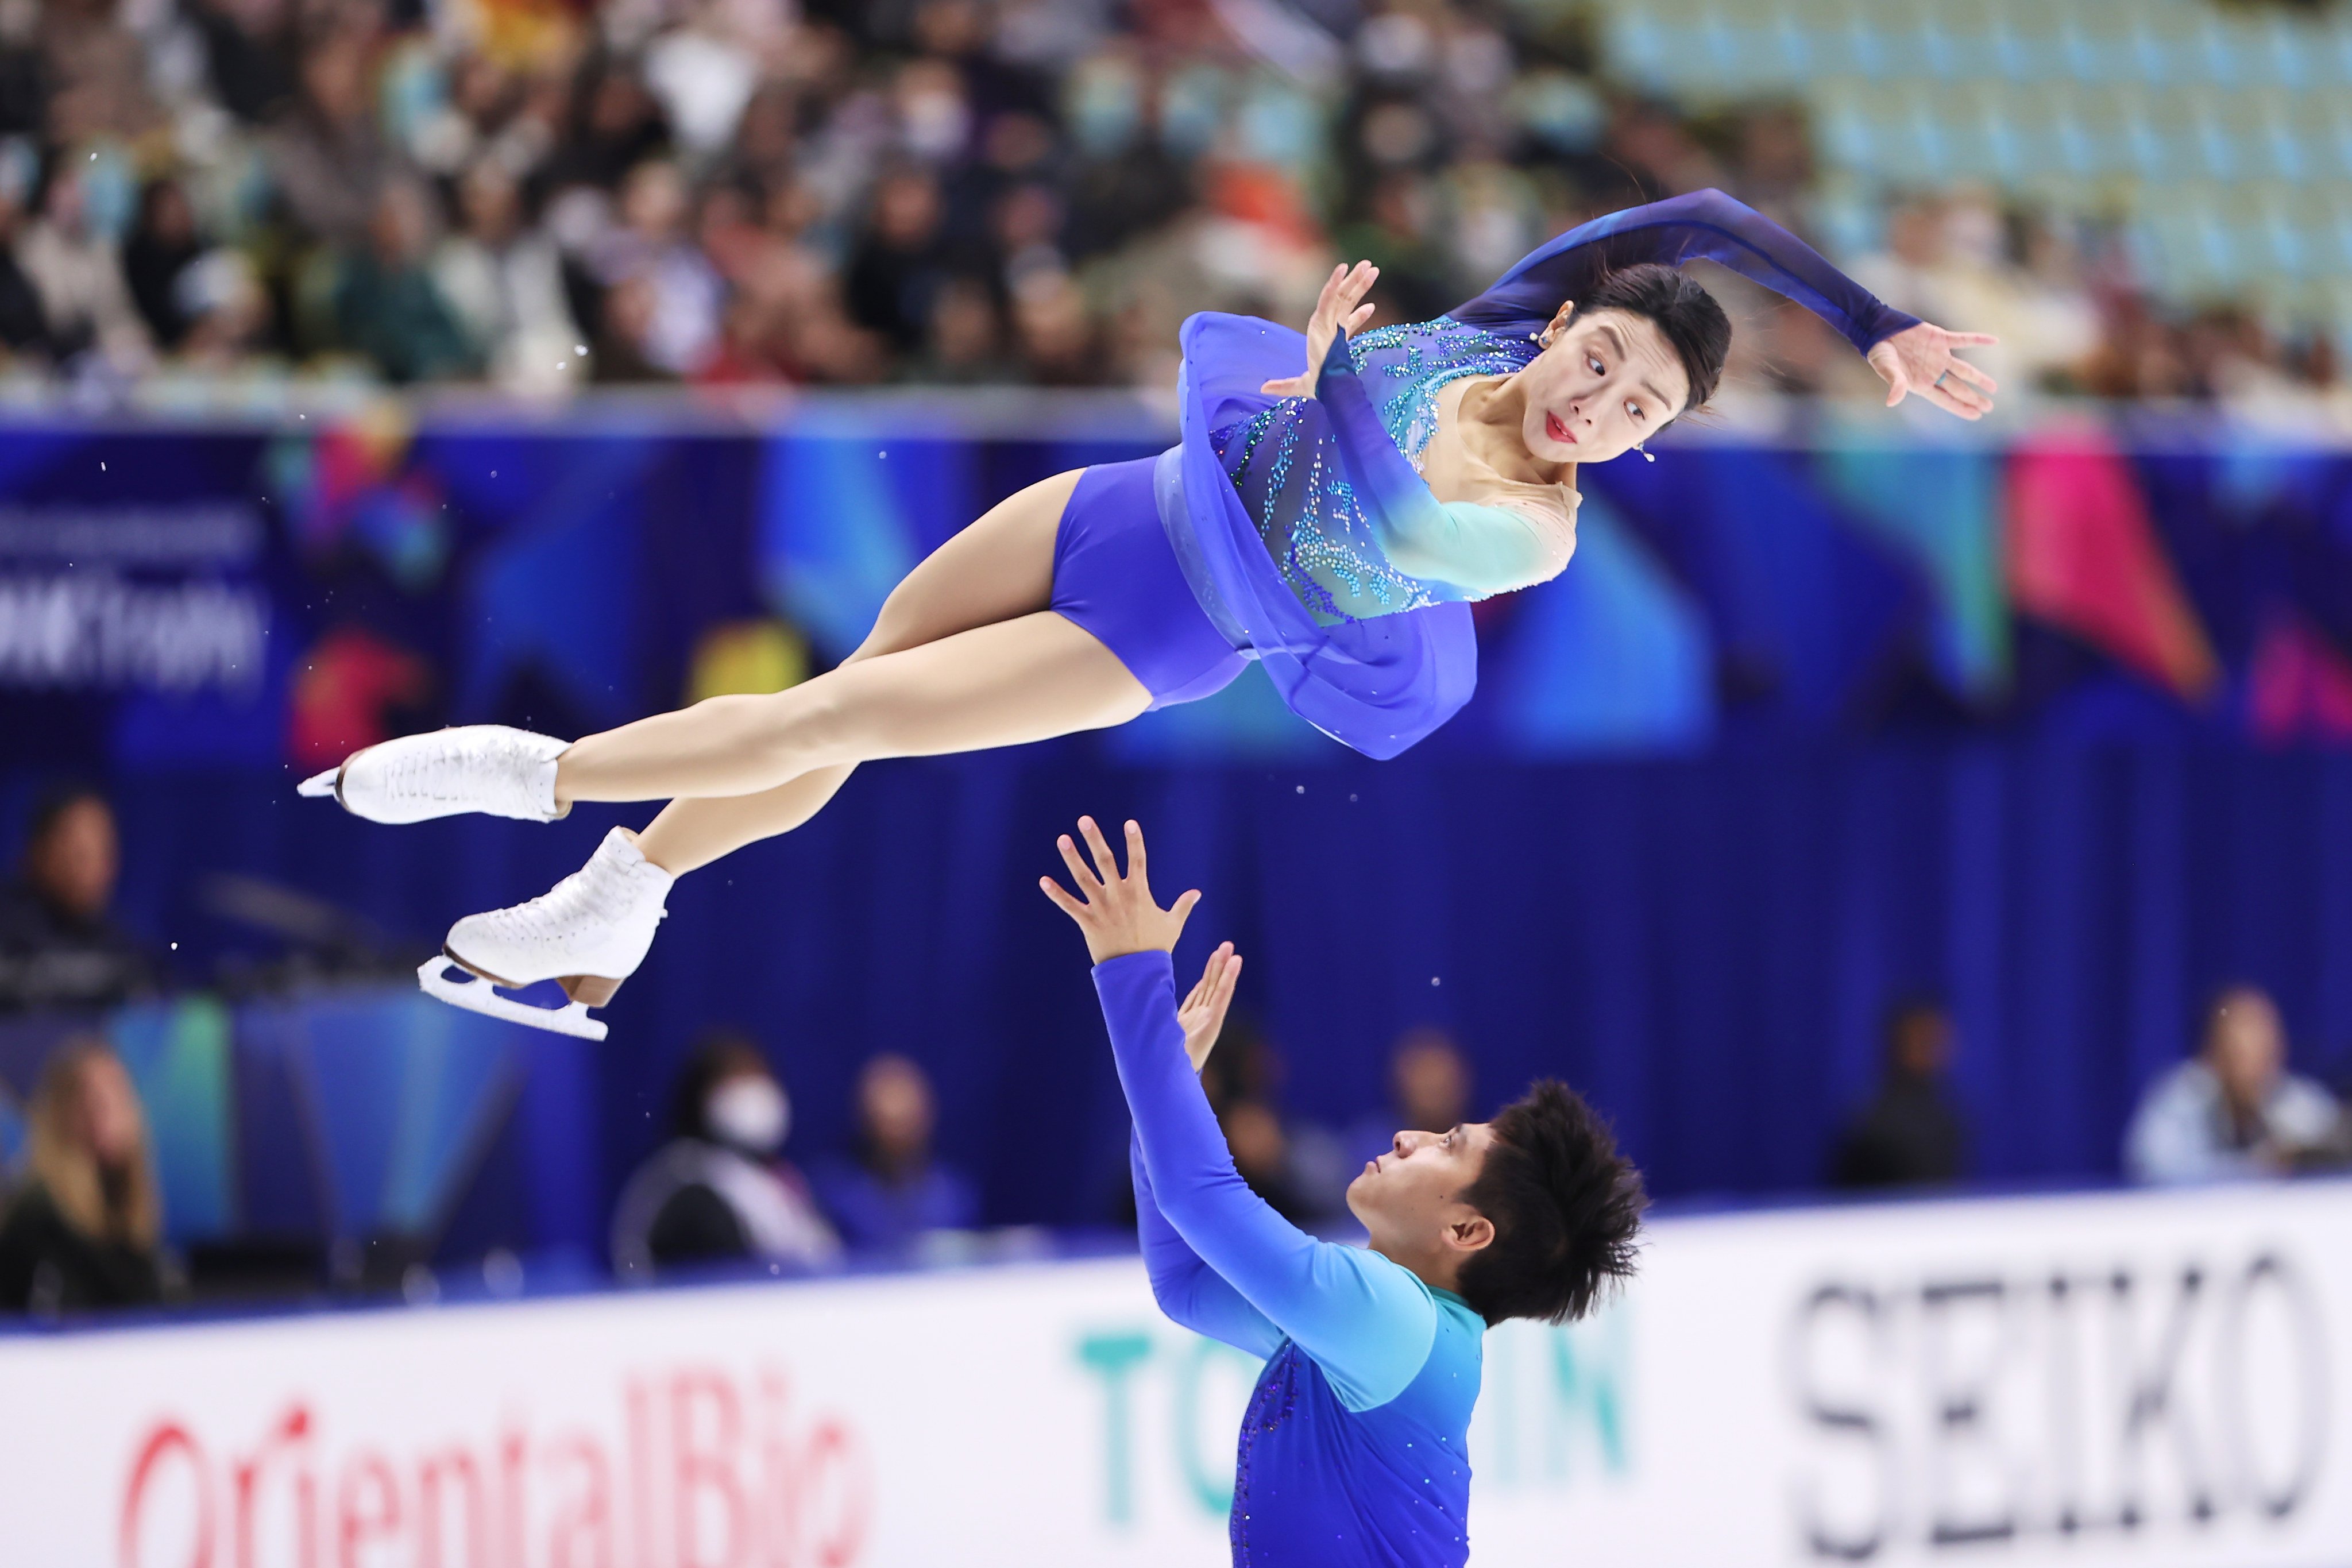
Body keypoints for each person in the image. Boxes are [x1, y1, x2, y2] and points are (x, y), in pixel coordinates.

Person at [298, 189, 1998, 1036]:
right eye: (1604, 360)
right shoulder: (1500, 329)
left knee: (835, 723)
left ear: (1646, 443)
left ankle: (533, 779)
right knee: (854, 684)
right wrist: (1874, 320)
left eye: (1636, 413)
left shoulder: (1537, 537)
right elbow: (1698, 223)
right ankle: (620, 897)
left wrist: (1323, 373)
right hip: (1122, 503)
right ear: (1570, 326)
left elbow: (1389, 509)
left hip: (1162, 628)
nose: (1600, 404)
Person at [1042, 816, 1644, 1566]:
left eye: (1445, 1145)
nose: (1408, 1136)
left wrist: (1133, 972)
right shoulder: (1373, 1330)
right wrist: (1165, 1085)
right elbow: (1188, 1281)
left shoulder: (1390, 1322)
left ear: (1467, 1231)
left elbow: (1201, 1203)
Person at [609, 1032, 840, 1280]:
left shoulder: (772, 1177)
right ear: (701, 1095)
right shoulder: (686, 1187)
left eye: (760, 1075)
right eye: (736, 1078)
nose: (754, 1092)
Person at [0, 1038, 168, 1314]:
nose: (106, 1113)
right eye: (91, 1100)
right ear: (60, 1115)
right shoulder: (38, 1216)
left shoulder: (126, 1209)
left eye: (116, 1096)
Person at [2125, 986, 2340, 1185]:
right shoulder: (2182, 1098)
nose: (2254, 1062)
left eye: (2264, 1048)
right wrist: (2254, 1169)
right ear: (2214, 1050)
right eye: (2239, 1051)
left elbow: (2334, 1155)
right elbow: (2153, 1167)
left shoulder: (2298, 1101)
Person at [0, 786, 155, 1014]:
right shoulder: (9, 928)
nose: (93, 871)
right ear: (39, 851)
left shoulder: (125, 945)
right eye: (79, 854)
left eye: (103, 853)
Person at [809, 1053, 979, 1252]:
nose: (897, 1137)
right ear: (866, 1120)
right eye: (887, 1123)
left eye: (906, 1123)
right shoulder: (836, 1194)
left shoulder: (954, 1197)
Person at [1827, 1001, 1971, 1189]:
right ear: (1898, 1044)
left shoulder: (1949, 1112)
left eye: (1937, 1039)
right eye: (1923, 1040)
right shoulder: (1875, 1120)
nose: (1932, 1049)